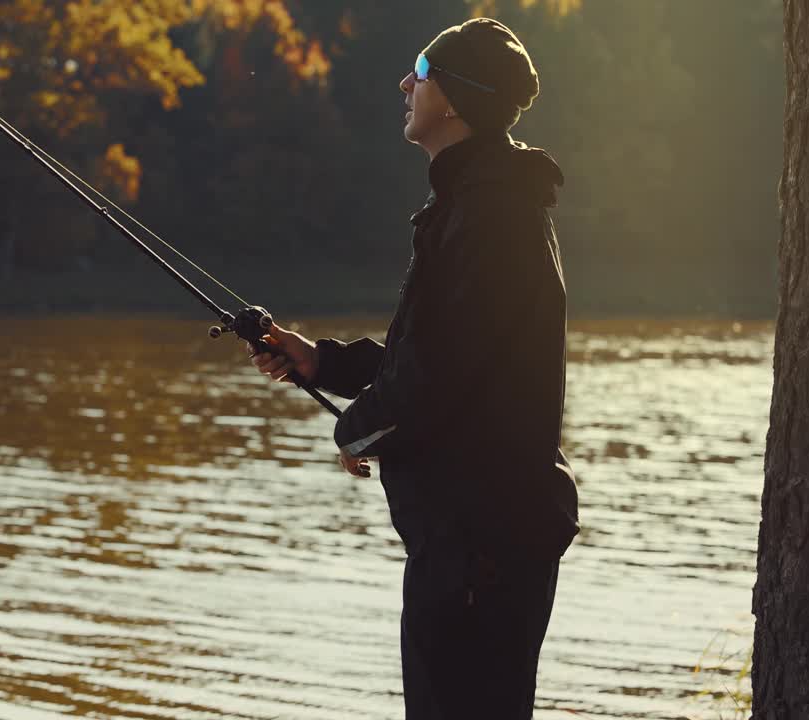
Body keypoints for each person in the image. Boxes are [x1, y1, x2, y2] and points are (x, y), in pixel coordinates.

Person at [247, 18, 580, 719]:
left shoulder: (490, 213)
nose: (406, 82)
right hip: (474, 539)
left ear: (456, 97)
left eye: (422, 70)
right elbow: (439, 350)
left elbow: (439, 376)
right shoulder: (478, 200)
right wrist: (323, 362)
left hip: (479, 546)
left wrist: (358, 431)